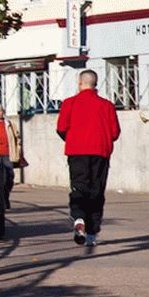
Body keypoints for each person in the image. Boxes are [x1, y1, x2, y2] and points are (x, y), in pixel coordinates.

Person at [56, 70, 121, 247]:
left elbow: (61, 128)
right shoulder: (107, 105)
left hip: (77, 151)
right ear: (95, 84)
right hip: (100, 151)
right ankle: (92, 232)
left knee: (79, 186)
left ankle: (79, 218)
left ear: (80, 83)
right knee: (96, 191)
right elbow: (115, 132)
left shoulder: (69, 103)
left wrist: (72, 139)